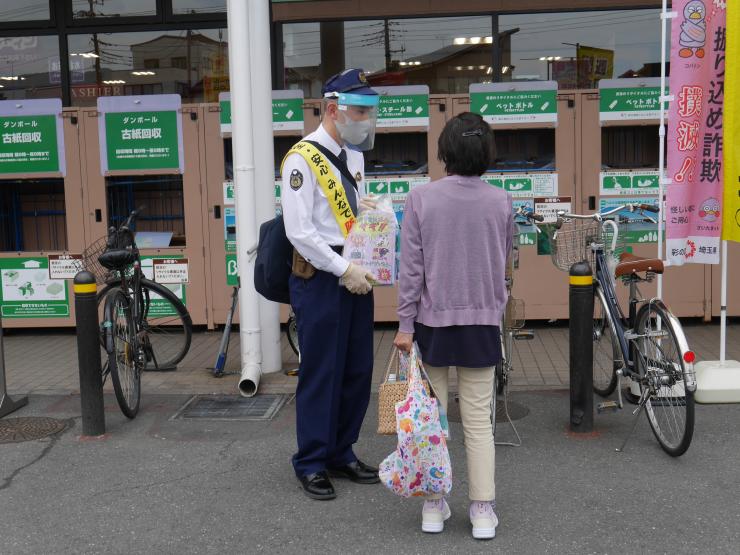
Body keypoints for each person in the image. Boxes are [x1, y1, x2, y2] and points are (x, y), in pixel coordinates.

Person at [393, 112, 513, 539]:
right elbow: (504, 263)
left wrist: (405, 325)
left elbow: (411, 272)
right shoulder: (501, 201)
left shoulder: (421, 198)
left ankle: (432, 505)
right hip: (481, 322)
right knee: (479, 424)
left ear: (446, 151)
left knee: (432, 419)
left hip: (431, 324)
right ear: (486, 153)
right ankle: (482, 512)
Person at [281, 69, 381, 501]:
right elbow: (299, 232)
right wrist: (343, 269)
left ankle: (342, 450)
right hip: (322, 277)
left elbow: (354, 214)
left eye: (370, 112)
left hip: (356, 273)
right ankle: (312, 461)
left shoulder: (354, 156)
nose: (366, 120)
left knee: (357, 368)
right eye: (360, 111)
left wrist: (374, 211)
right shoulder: (301, 159)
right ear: (333, 108)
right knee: (322, 371)